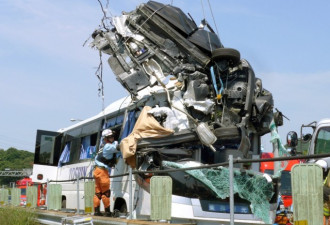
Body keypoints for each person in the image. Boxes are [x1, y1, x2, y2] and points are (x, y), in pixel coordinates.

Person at [93, 129, 119, 217]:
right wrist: (116, 142)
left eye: (112, 136)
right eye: (110, 137)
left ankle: (96, 211)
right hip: (102, 171)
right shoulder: (108, 146)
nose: (112, 138)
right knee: (106, 192)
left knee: (98, 193)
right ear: (106, 139)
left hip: (96, 171)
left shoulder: (102, 146)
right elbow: (118, 147)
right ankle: (107, 212)